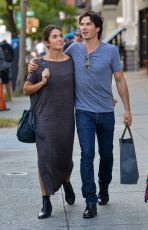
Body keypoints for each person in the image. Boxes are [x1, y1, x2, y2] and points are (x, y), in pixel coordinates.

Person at [28, 11, 132, 219]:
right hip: (83, 112)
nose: (83, 28)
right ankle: (90, 200)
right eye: (81, 24)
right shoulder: (73, 48)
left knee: (107, 155)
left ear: (98, 28)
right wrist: (32, 63)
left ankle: (103, 189)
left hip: (106, 111)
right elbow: (52, 55)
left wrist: (127, 109)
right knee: (87, 155)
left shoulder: (111, 51)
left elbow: (120, 80)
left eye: (88, 24)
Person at [24, 25, 75, 219]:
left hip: (66, 118)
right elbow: (26, 89)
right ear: (47, 42)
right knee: (45, 159)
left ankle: (65, 180)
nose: (60, 39)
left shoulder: (72, 62)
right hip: (44, 118)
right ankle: (46, 201)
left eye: (61, 36)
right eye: (55, 37)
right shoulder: (38, 64)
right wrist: (42, 82)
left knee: (65, 158)